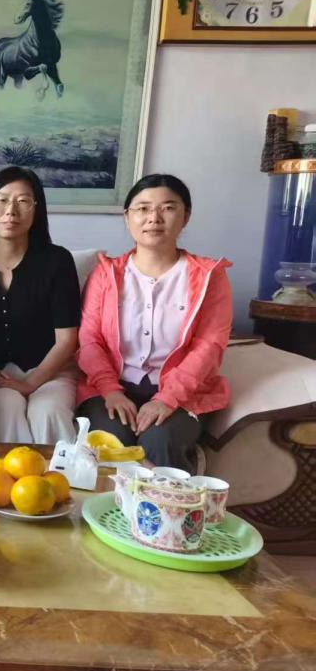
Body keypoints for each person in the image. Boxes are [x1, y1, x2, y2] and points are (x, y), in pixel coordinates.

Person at [77, 174, 232, 471]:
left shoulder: (210, 277)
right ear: (127, 217)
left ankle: (167, 502)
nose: (154, 218)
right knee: (111, 438)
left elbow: (209, 346)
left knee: (160, 439)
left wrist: (167, 399)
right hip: (112, 387)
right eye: (143, 208)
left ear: (186, 216)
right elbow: (90, 339)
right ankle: (107, 504)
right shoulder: (106, 274)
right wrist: (110, 389)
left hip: (182, 393)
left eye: (168, 208)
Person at [0, 167, 81, 445]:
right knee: (5, 405)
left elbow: (67, 339)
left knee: (47, 410)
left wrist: (30, 383)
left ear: (37, 210)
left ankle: (62, 473)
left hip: (49, 371)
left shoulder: (57, 261)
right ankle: (5, 473)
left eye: (23, 201)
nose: (11, 211)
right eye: (2, 200)